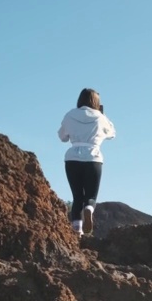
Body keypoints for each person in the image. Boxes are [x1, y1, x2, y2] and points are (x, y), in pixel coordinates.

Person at [58, 88, 116, 235]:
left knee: (77, 196)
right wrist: (103, 114)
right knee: (90, 196)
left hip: (72, 157)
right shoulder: (100, 117)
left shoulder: (70, 115)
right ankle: (89, 209)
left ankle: (77, 229)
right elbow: (112, 134)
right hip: (93, 157)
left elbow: (62, 137)